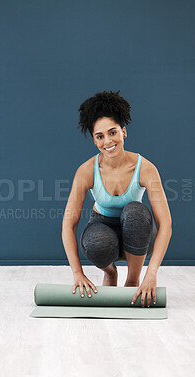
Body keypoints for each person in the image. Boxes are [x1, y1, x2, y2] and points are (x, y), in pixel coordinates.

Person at [61, 90, 172, 307]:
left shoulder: (145, 168)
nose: (107, 141)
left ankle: (133, 279)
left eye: (112, 133)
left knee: (135, 211)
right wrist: (77, 273)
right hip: (102, 227)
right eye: (99, 136)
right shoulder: (86, 170)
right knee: (96, 243)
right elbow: (68, 223)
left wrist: (152, 274)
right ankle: (110, 274)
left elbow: (165, 224)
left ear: (123, 132)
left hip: (138, 233)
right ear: (94, 141)